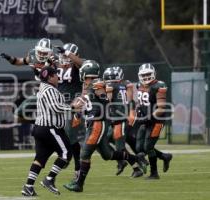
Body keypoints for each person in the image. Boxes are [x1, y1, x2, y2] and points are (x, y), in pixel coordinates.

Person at [64, 60, 147, 193]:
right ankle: (136, 158)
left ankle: (79, 184)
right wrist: (77, 108)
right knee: (107, 155)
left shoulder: (97, 85)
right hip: (94, 123)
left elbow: (105, 99)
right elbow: (85, 100)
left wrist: (93, 103)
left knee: (84, 154)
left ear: (85, 73)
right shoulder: (89, 85)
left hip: (98, 123)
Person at [21, 66, 83, 196]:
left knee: (40, 158)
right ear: (50, 77)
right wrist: (73, 107)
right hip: (50, 128)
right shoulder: (49, 90)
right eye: (55, 74)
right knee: (66, 153)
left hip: (41, 128)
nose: (58, 77)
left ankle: (28, 187)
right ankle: (49, 179)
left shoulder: (46, 88)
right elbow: (55, 107)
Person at [0, 38, 55, 123]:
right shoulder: (32, 56)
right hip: (40, 92)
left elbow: (57, 79)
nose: (42, 55)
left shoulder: (55, 61)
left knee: (53, 118)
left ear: (50, 53)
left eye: (44, 53)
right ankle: (38, 122)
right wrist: (8, 57)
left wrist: (49, 67)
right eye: (40, 52)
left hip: (53, 92)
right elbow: (19, 61)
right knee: (18, 116)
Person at [103, 66, 144, 178]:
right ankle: (125, 162)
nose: (109, 80)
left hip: (120, 119)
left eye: (110, 78)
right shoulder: (126, 84)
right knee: (105, 139)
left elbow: (108, 99)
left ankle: (136, 164)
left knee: (120, 147)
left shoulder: (112, 86)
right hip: (120, 118)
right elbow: (130, 98)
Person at [54, 43, 85, 187]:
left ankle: (77, 166)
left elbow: (82, 63)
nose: (64, 58)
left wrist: (68, 53)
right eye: (63, 56)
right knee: (58, 133)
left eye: (67, 56)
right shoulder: (57, 66)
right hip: (59, 104)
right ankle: (68, 156)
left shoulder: (79, 66)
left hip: (74, 104)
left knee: (70, 134)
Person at [135, 63, 173, 179]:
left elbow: (161, 109)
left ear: (153, 74)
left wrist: (147, 117)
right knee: (139, 147)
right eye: (144, 75)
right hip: (146, 119)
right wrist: (138, 110)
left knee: (148, 147)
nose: (146, 77)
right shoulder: (139, 85)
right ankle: (164, 157)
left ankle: (154, 173)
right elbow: (140, 103)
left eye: (148, 74)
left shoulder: (159, 86)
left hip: (157, 120)